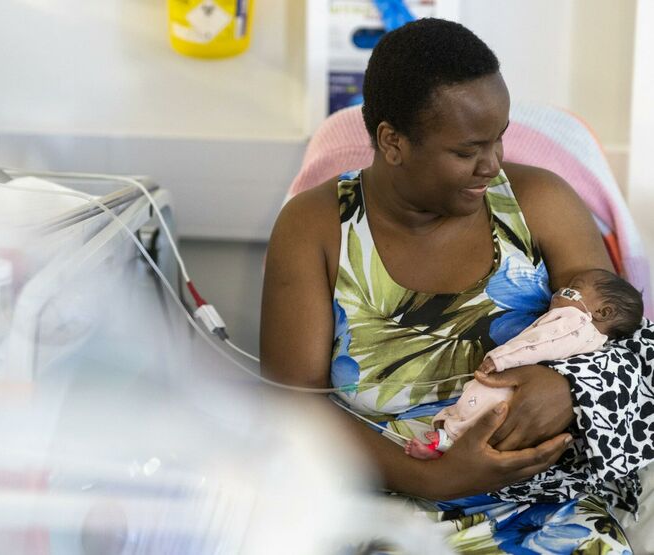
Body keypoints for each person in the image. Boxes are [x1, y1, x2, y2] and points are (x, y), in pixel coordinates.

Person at [261, 18, 635, 554]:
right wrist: (434, 478)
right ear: (393, 141)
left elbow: (619, 337)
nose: (493, 164)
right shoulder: (315, 228)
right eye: (467, 151)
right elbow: (292, 405)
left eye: (500, 137)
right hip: (380, 503)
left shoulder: (541, 202)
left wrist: (569, 388)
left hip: (545, 502)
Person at [405, 268, 644, 460]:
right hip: (532, 410)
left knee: (476, 406)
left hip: (510, 387)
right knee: (485, 430)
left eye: (573, 290)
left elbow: (538, 344)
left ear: (602, 311)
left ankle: (442, 443)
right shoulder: (598, 343)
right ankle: (444, 445)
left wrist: (499, 359)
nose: (561, 291)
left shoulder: (575, 321)